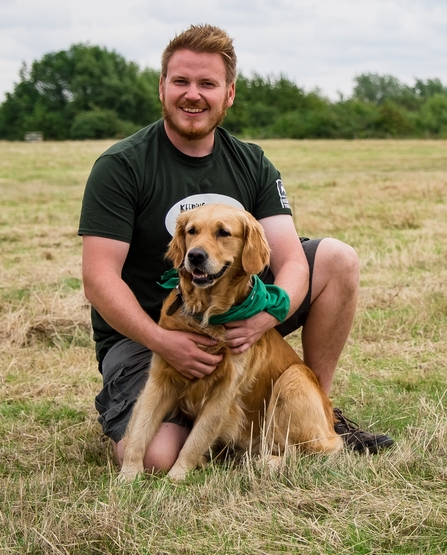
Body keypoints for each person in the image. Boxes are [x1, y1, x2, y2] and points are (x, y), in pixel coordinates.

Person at [78, 24, 394, 472]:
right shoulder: (121, 166)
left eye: (207, 83)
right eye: (181, 81)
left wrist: (265, 317)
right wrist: (164, 341)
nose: (193, 94)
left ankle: (314, 412)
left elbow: (289, 260)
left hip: (236, 316)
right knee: (155, 458)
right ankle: (223, 428)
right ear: (162, 88)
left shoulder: (251, 161)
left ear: (228, 94)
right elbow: (98, 278)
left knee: (337, 258)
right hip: (146, 334)